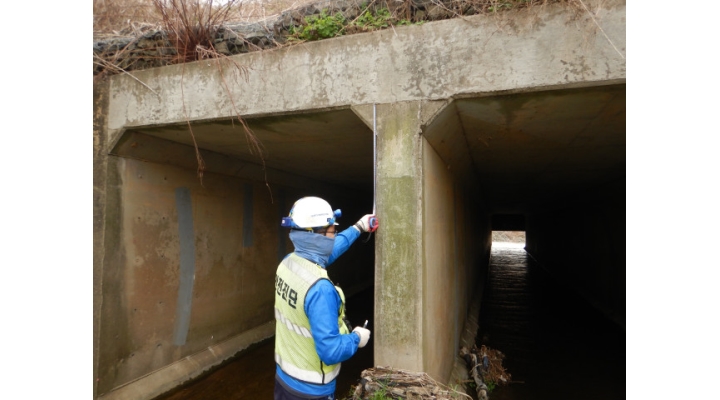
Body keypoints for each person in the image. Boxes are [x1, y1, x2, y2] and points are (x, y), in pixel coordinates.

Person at [274, 196, 378, 400]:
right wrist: (357, 338)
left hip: (283, 380)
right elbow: (331, 352)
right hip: (311, 392)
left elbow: (328, 251)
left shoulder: (288, 263)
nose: (334, 235)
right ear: (318, 236)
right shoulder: (321, 290)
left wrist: (358, 227)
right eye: (332, 230)